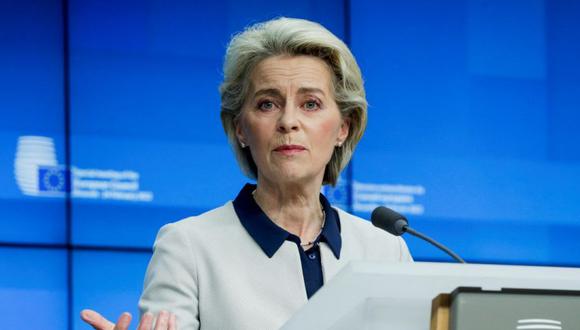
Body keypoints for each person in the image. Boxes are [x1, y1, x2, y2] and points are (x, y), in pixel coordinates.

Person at [81, 17, 412, 330]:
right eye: (267, 104)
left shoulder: (385, 252)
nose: (288, 122)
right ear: (241, 129)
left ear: (343, 127)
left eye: (310, 104)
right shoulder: (189, 248)